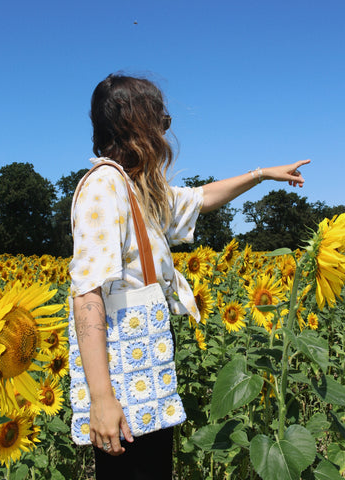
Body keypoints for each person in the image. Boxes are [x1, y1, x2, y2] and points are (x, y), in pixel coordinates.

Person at [69, 73, 310, 479]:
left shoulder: (136, 188)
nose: (166, 131)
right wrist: (102, 398)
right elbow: (86, 292)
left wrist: (260, 175)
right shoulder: (104, 186)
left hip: (144, 372)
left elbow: (199, 199)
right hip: (123, 381)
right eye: (160, 120)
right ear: (136, 123)